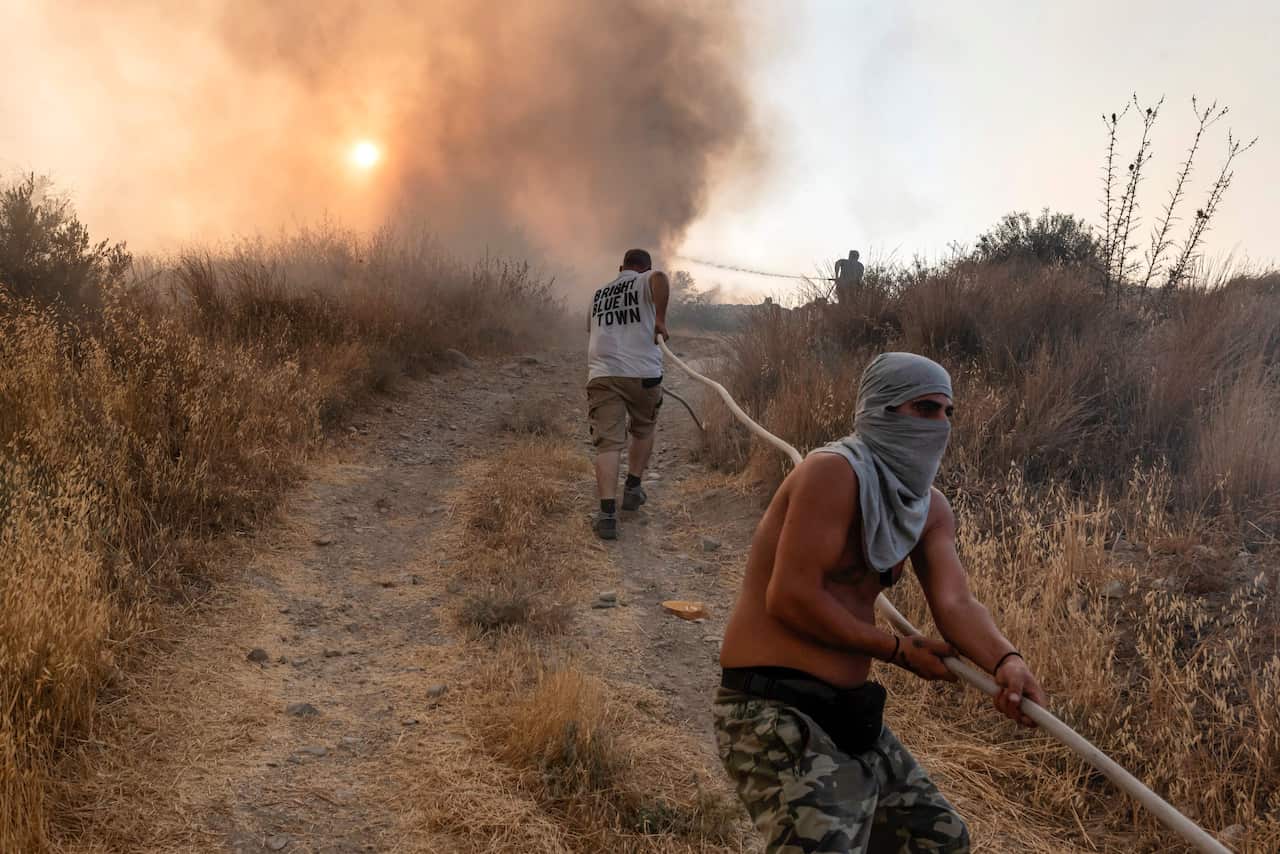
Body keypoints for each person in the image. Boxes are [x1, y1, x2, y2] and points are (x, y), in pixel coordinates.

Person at [713, 352, 1046, 853]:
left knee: (939, 839)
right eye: (925, 409)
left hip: (848, 712)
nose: (940, 425)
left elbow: (956, 601)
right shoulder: (831, 474)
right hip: (770, 704)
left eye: (947, 413)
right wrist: (895, 649)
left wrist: (1006, 660)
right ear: (880, 410)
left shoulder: (929, 508)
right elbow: (790, 597)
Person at [585, 248, 670, 540]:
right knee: (643, 429)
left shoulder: (598, 294)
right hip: (642, 373)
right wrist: (659, 319)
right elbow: (660, 278)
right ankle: (633, 487)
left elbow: (590, 329)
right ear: (644, 268)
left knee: (607, 444)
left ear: (620, 267)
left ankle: (607, 515)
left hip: (603, 375)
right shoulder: (648, 279)